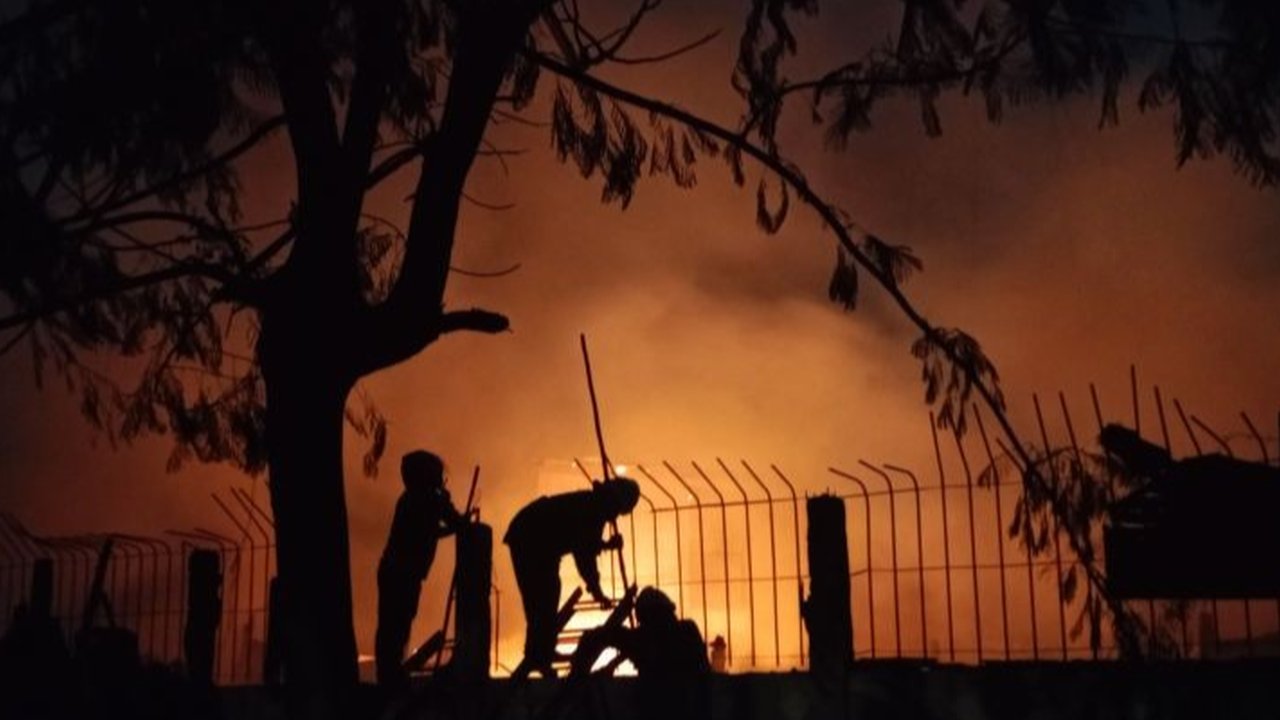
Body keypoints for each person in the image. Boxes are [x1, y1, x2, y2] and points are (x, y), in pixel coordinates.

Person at [503, 477, 639, 677]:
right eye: (618, 510)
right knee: (541, 597)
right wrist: (596, 590)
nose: (615, 516)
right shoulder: (593, 510)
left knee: (547, 594)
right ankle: (539, 655)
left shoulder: (593, 506)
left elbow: (585, 543)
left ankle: (541, 653)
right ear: (614, 502)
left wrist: (606, 546)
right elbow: (584, 554)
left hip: (538, 540)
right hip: (530, 537)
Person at [375, 450, 465, 689]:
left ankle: (388, 674)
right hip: (403, 572)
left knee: (392, 624)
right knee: (398, 624)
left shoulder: (410, 498)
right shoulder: (425, 499)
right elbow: (450, 522)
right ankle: (390, 677)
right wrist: (449, 507)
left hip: (395, 570)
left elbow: (434, 529)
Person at [583, 587, 711, 718]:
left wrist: (622, 610)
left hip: (660, 708)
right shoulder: (687, 631)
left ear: (647, 616)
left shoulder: (643, 638)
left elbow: (600, 635)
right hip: (690, 708)